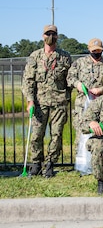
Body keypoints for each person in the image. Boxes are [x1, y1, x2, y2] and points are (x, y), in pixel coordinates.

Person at [22, 24, 72, 178]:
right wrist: (30, 100)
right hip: (39, 103)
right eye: (47, 34)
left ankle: (50, 163)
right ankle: (36, 164)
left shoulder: (64, 57)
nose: (50, 36)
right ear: (43, 36)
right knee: (37, 135)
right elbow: (28, 80)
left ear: (57, 36)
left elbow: (70, 79)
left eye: (53, 34)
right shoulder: (35, 56)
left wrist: (67, 97)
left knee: (56, 135)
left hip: (59, 103)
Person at [67, 38, 103, 152]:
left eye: (98, 50)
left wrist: (101, 89)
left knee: (100, 132)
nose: (96, 53)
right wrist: (78, 84)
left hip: (102, 105)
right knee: (81, 132)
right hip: (83, 104)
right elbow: (70, 78)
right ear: (89, 49)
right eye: (94, 50)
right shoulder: (79, 63)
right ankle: (82, 163)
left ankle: (98, 161)